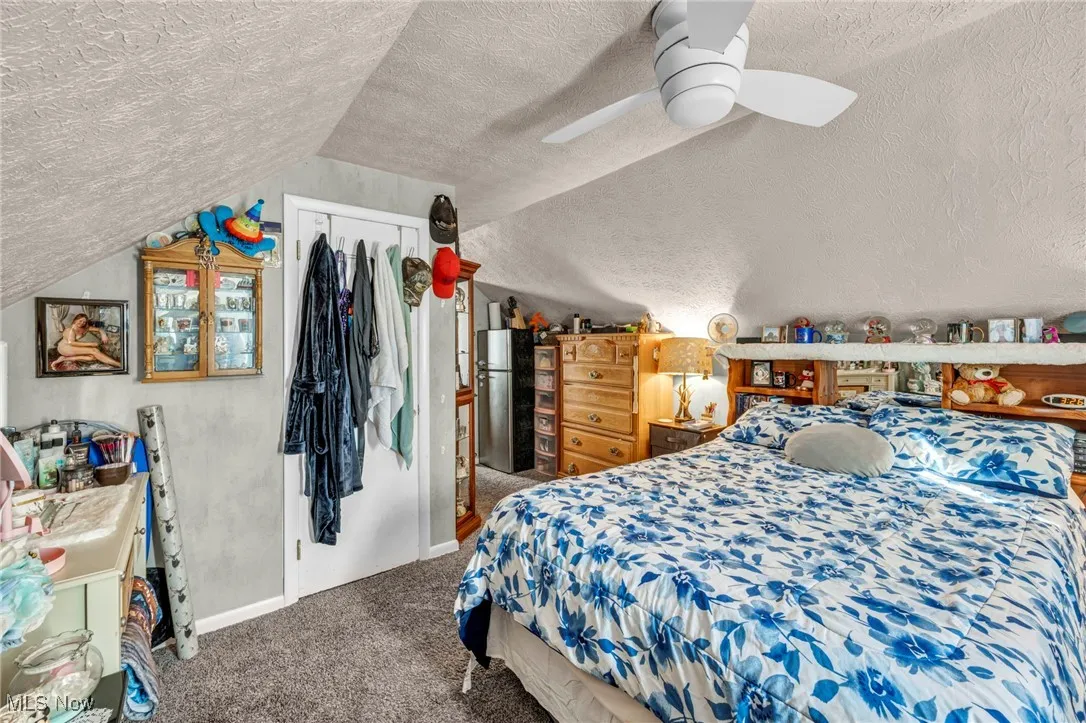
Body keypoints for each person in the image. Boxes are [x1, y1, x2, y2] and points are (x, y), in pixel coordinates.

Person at [52, 313, 121, 369]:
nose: (82, 323)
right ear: (75, 320)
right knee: (94, 351)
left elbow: (99, 329)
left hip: (73, 347)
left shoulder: (85, 328)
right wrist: (90, 344)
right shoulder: (70, 330)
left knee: (93, 357)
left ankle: (64, 359)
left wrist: (103, 335)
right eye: (80, 321)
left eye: (84, 322)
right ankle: (118, 364)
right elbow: (71, 343)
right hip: (66, 347)